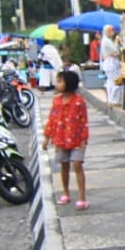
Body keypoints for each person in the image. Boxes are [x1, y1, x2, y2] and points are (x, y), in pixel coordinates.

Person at [42, 70, 90, 210]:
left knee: (77, 165)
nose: (57, 84)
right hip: (61, 140)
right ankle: (66, 192)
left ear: (68, 83)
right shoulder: (56, 101)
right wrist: (47, 138)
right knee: (64, 166)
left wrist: (83, 140)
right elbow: (52, 120)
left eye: (60, 81)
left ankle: (82, 197)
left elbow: (83, 122)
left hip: (77, 140)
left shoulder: (79, 102)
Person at [100, 24, 123, 107]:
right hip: (111, 63)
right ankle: (114, 100)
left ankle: (111, 100)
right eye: (111, 31)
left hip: (108, 63)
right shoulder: (106, 41)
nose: (113, 33)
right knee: (115, 81)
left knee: (110, 82)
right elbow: (116, 51)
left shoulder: (106, 40)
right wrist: (118, 42)